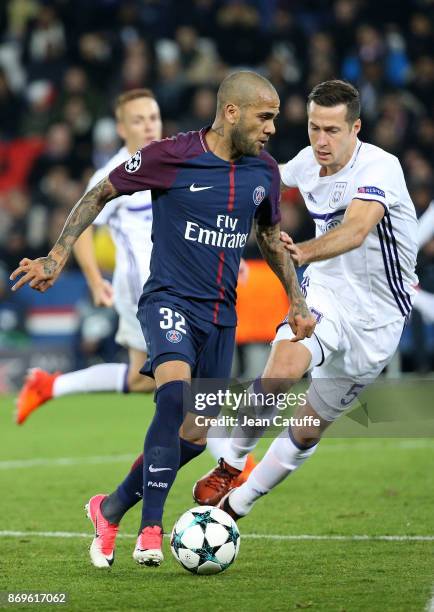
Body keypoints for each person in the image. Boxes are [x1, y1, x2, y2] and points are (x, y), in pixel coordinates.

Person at [10, 70, 316, 568]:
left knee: (195, 437)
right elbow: (99, 192)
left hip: (221, 316)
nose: (272, 129)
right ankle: (150, 529)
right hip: (168, 300)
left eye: (275, 119)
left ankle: (108, 509)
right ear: (231, 112)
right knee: (172, 395)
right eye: (265, 117)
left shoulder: (264, 172)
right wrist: (58, 254)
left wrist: (296, 300)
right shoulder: (170, 155)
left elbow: (267, 237)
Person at [192, 79, 418, 521]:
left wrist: (301, 252)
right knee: (282, 368)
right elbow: (262, 175)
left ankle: (237, 506)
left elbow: (355, 231)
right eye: (314, 128)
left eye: (332, 130)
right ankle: (230, 465)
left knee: (308, 429)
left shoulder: (380, 167)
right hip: (326, 294)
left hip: (379, 321)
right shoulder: (307, 162)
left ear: (356, 128)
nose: (321, 140)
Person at [16, 89, 162, 425]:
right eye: (138, 120)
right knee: (188, 374)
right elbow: (80, 226)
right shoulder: (112, 176)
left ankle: (50, 385)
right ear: (122, 129)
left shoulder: (173, 160)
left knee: (144, 378)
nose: (149, 126)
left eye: (153, 118)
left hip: (168, 282)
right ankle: (234, 460)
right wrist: (96, 281)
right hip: (144, 289)